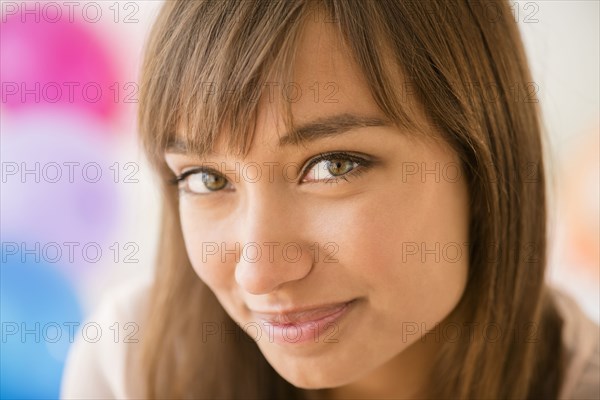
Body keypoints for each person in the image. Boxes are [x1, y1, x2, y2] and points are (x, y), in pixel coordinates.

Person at [61, 1, 600, 399]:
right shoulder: (127, 367)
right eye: (207, 179)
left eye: (333, 167)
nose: (258, 274)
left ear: (483, 165)